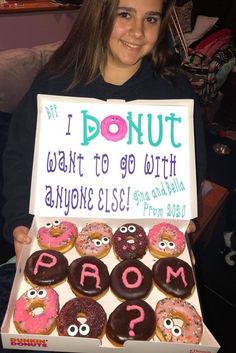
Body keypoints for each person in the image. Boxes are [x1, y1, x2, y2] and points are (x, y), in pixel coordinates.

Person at [2, 0, 206, 264]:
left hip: (143, 252)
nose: (138, 32)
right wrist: (19, 220)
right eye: (124, 14)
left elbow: (190, 165)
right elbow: (20, 155)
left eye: (151, 19)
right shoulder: (56, 82)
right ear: (99, 15)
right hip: (58, 244)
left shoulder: (175, 91)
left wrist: (183, 215)